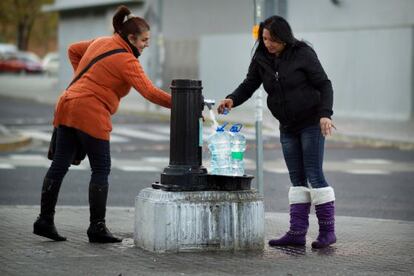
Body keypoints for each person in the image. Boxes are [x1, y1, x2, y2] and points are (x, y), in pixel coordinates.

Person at [33, 5, 172, 243]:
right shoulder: (127, 60)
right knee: (101, 169)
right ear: (131, 38)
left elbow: (73, 50)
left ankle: (44, 219)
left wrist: (84, 81)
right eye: (144, 40)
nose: (146, 44)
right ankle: (97, 228)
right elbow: (149, 92)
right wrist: (183, 103)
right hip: (90, 111)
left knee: (59, 164)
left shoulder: (101, 42)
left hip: (67, 104)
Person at [217, 15, 336, 248]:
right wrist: (232, 99)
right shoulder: (261, 57)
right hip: (287, 126)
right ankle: (297, 233)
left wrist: (325, 114)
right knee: (296, 179)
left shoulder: (303, 53)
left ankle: (327, 232)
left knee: (314, 174)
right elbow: (249, 84)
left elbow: (324, 84)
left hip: (311, 122)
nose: (268, 44)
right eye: (264, 39)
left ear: (284, 37)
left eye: (273, 40)